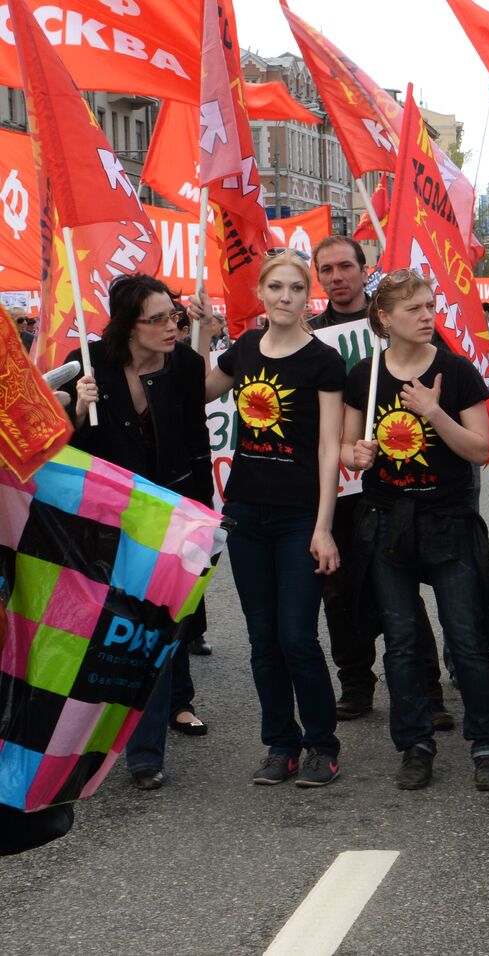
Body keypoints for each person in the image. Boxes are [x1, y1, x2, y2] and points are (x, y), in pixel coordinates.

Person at [343, 269, 489, 792]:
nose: (426, 315)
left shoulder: (454, 371)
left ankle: (487, 742)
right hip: (386, 520)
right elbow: (348, 451)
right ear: (384, 318)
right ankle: (414, 744)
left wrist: (434, 411)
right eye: (413, 308)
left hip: (447, 519)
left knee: (466, 637)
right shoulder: (365, 375)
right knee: (403, 640)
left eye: (429, 305)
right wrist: (357, 453)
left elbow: (481, 449)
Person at [198, 252, 345, 788]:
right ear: (260, 293)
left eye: (296, 288)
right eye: (276, 287)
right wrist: (198, 334)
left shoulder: (324, 362)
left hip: (299, 516)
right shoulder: (241, 350)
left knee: (296, 635)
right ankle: (280, 743)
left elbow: (331, 449)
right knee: (262, 637)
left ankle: (321, 745)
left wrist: (323, 527)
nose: (286, 297)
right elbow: (196, 394)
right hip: (245, 512)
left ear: (309, 296)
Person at [61, 275, 214, 791]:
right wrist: (77, 408)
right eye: (159, 319)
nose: (173, 326)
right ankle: (84, 742)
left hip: (168, 518)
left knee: (153, 628)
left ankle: (145, 754)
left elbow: (197, 442)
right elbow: (57, 446)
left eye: (175, 316)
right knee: (101, 632)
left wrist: (204, 520)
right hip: (103, 521)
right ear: (129, 326)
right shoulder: (88, 362)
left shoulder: (186, 367)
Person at [308, 235, 449, 726]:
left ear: (364, 270)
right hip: (339, 485)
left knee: (401, 589)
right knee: (340, 589)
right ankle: (356, 681)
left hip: (398, 485)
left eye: (345, 266)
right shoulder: (310, 334)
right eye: (326, 270)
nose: (336, 277)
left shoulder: (401, 321)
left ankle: (427, 689)